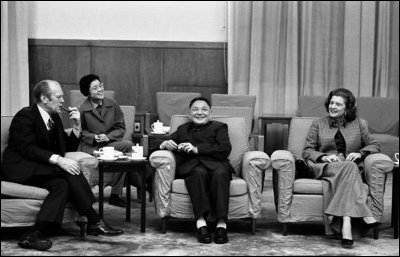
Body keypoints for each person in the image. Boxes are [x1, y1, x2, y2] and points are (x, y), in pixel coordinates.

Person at [1, 80, 123, 251]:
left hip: (42, 169)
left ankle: (33, 234)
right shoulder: (25, 116)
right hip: (20, 167)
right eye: (58, 97)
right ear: (44, 98)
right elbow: (27, 149)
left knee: (62, 185)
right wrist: (58, 160)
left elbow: (65, 148)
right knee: (69, 171)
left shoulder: (55, 117)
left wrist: (76, 127)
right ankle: (94, 219)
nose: (63, 101)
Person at [303, 88, 380, 248]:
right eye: (331, 103)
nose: (333, 106)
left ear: (347, 108)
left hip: (349, 169)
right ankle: (365, 214)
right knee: (350, 168)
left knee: (350, 167)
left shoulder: (358, 124)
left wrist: (360, 154)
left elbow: (375, 145)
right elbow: (307, 150)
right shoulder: (318, 124)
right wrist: (323, 157)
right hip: (327, 167)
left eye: (338, 104)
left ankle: (346, 222)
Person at [158, 97, 233, 244]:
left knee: (220, 174)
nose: (200, 113)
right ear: (189, 113)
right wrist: (164, 145)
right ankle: (201, 224)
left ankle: (221, 225)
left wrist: (197, 149)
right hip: (192, 167)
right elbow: (162, 143)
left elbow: (225, 149)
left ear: (211, 113)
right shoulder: (182, 129)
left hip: (217, 164)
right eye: (195, 109)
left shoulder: (220, 127)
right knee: (198, 173)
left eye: (204, 109)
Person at [78, 74, 134, 207]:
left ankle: (116, 194)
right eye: (95, 88)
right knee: (122, 149)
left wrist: (108, 136)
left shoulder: (112, 104)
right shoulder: (82, 109)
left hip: (110, 143)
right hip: (93, 147)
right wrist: (94, 137)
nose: (100, 89)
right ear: (87, 92)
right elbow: (80, 132)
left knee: (128, 146)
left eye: (101, 86)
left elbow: (121, 127)